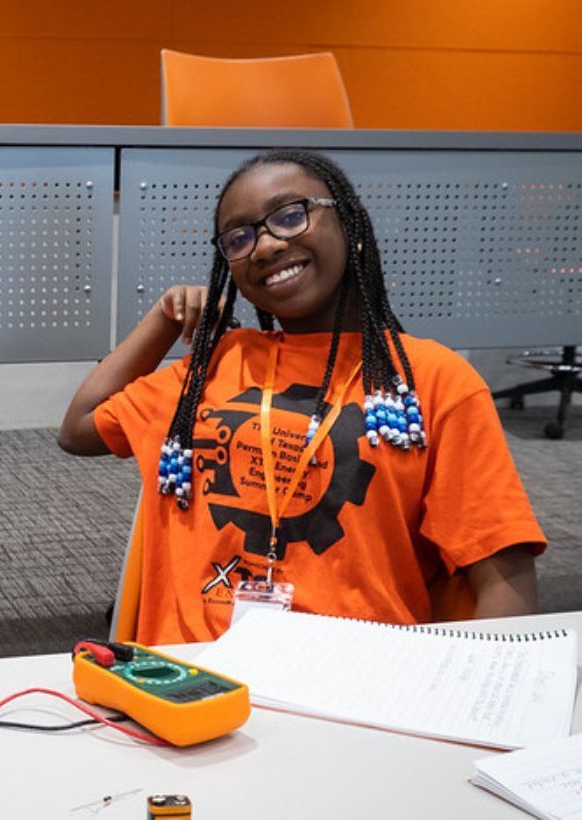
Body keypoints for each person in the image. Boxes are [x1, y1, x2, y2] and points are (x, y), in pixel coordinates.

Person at [59, 149, 542, 645]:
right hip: (195, 677)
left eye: (290, 217)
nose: (265, 246)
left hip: (357, 677)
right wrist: (162, 320)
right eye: (239, 238)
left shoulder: (431, 377)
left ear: (349, 223)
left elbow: (502, 573)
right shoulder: (219, 362)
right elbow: (78, 428)